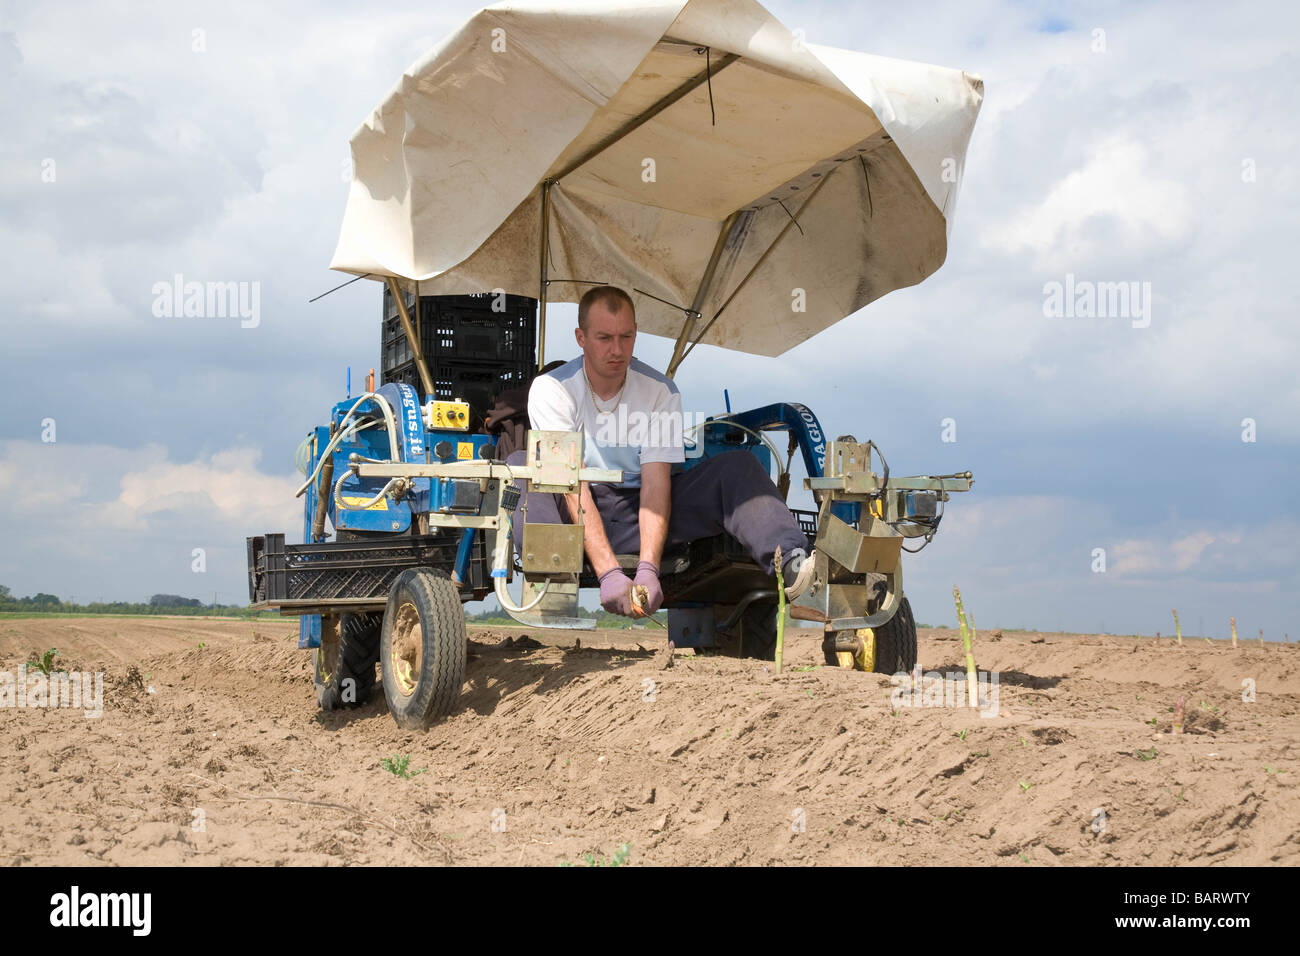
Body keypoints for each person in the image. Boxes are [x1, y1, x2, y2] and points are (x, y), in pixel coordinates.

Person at [506, 285, 815, 618]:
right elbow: (571, 487)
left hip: (638, 513)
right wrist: (610, 573)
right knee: (521, 466)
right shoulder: (552, 389)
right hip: (573, 515)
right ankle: (548, 576)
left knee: (738, 467)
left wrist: (648, 569)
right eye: (604, 338)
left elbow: (655, 484)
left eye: (626, 337)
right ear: (581, 338)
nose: (617, 350)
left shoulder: (660, 392)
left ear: (636, 334)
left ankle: (791, 563)